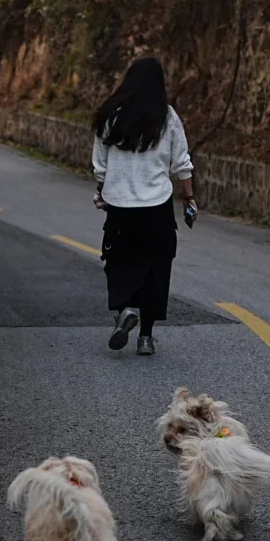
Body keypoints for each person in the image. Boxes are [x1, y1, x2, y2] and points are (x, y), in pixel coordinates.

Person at [91, 57, 196, 356]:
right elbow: (181, 163)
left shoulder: (110, 115)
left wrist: (103, 189)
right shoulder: (168, 117)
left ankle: (125, 310)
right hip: (157, 208)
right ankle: (146, 337)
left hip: (120, 207)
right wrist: (189, 198)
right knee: (156, 269)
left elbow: (100, 166)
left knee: (119, 261)